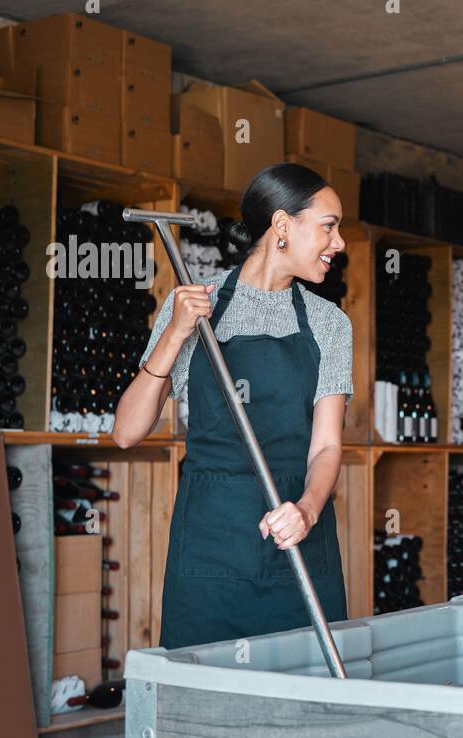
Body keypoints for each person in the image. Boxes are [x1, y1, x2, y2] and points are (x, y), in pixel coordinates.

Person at [113, 163, 353, 648]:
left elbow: (326, 447)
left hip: (299, 535)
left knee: (306, 702)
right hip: (211, 544)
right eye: (329, 226)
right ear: (282, 226)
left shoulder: (330, 323)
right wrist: (176, 334)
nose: (340, 243)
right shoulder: (193, 307)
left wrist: (306, 511)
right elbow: (127, 432)